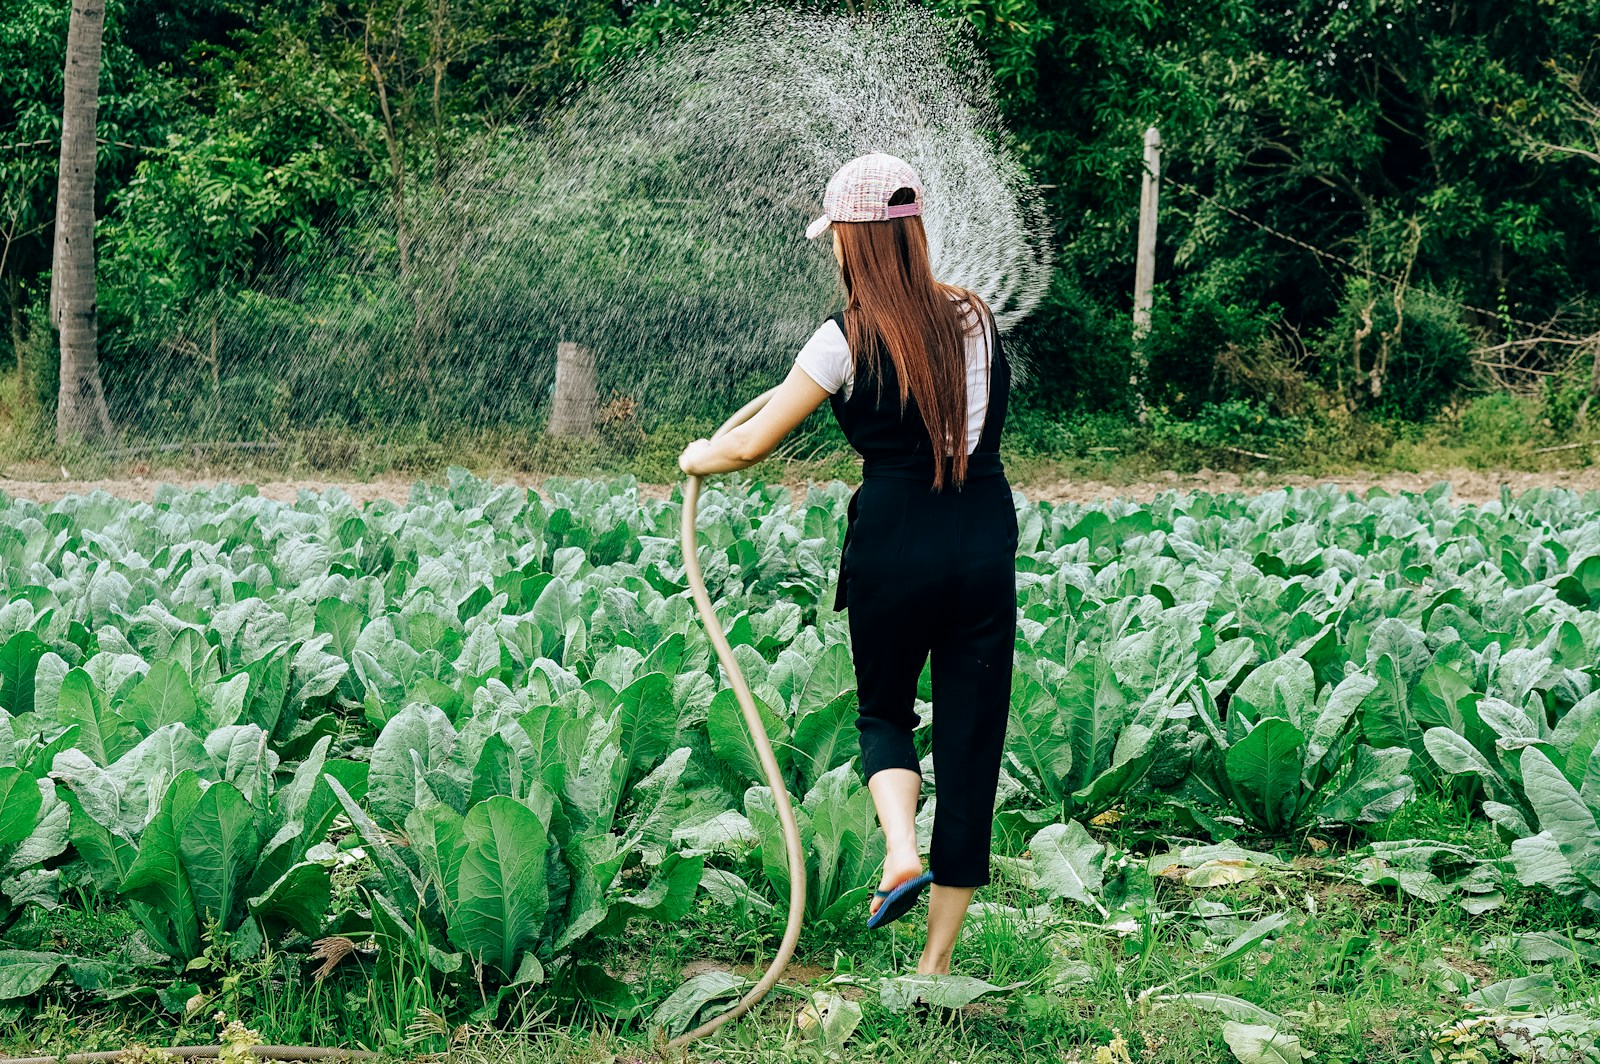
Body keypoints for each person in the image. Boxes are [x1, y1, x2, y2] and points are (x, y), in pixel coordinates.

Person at [677, 152, 1017, 978]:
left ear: (855, 244)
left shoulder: (842, 338)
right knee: (972, 743)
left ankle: (901, 849)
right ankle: (935, 966)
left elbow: (751, 442)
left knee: (885, 712)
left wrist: (698, 455)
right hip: (980, 536)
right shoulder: (975, 316)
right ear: (916, 233)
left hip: (895, 540)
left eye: (837, 239)